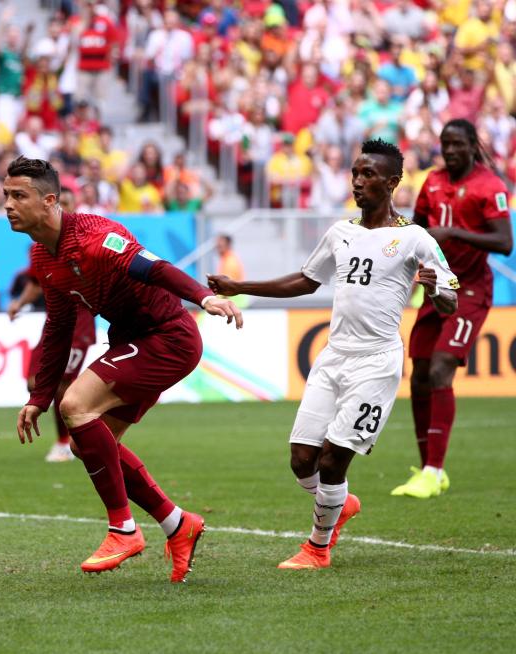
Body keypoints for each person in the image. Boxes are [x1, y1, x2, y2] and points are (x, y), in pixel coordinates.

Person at [208, 140, 459, 569]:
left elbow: (451, 298)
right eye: (356, 173)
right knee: (301, 458)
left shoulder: (415, 237)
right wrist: (241, 287)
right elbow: (306, 281)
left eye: (369, 175)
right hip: (334, 357)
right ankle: (339, 504)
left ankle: (317, 548)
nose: (358, 182)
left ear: (393, 183)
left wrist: (436, 285)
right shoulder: (340, 232)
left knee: (331, 459)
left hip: (376, 363)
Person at [4, 156, 241, 583]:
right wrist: (39, 398)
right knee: (88, 444)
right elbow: (58, 327)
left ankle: (123, 529)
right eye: (5, 195)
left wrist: (204, 298)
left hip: (168, 337)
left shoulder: (96, 237)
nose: (7, 204)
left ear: (50, 201)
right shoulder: (45, 256)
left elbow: (155, 267)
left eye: (18, 195)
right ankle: (176, 524)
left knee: (76, 405)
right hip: (133, 342)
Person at [392, 119, 513, 498]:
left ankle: (433, 470)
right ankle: (427, 467)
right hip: (435, 286)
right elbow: (419, 229)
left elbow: (505, 242)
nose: (450, 150)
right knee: (420, 373)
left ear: (471, 146)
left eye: (458, 144)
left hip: (470, 290)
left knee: (443, 365)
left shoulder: (488, 186)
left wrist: (454, 233)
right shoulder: (432, 181)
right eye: (445, 143)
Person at [8, 245, 96, 463]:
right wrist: (19, 303)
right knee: (34, 382)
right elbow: (36, 284)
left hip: (79, 324)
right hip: (55, 323)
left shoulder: (79, 243)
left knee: (61, 384)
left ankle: (66, 443)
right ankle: (90, 413)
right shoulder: (40, 248)